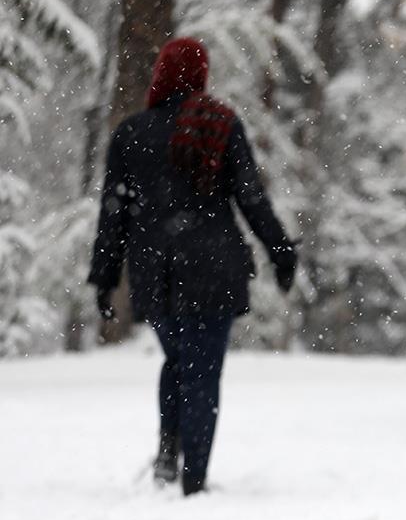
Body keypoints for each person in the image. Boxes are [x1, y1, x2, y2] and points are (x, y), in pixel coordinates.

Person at [89, 37, 296, 496]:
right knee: (202, 371)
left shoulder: (131, 133)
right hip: (212, 269)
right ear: (200, 75)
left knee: (178, 360)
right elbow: (251, 197)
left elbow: (113, 214)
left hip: (155, 273)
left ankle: (169, 456)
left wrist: (104, 277)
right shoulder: (219, 124)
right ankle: (194, 480)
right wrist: (281, 251)